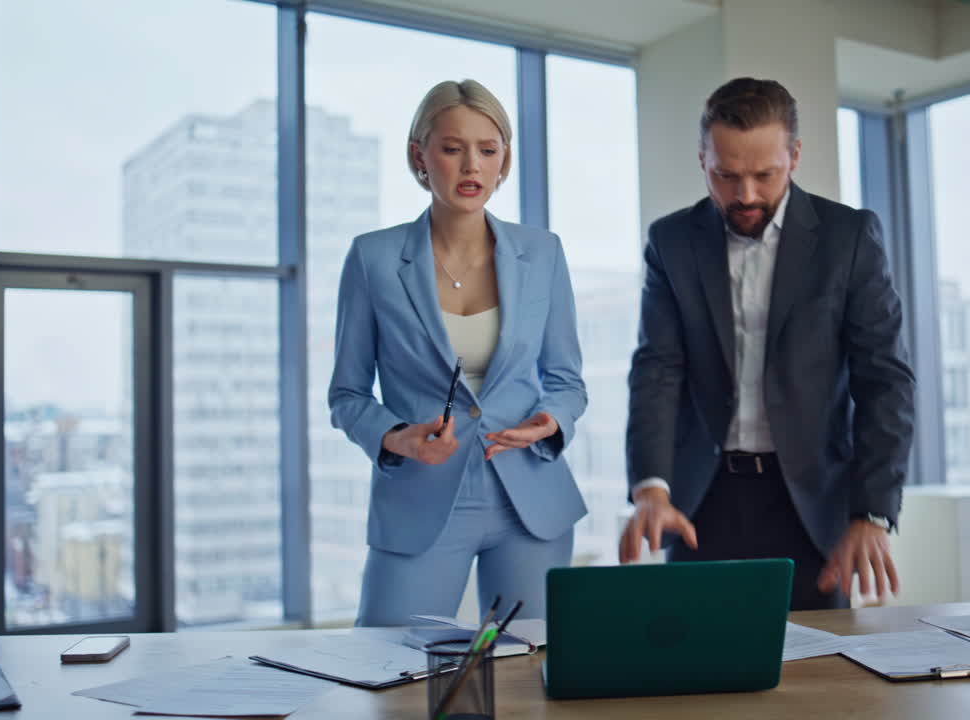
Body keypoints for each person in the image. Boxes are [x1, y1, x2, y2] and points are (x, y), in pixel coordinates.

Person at [619, 78, 915, 610]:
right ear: (702, 158)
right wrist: (650, 488)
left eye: (764, 175)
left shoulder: (848, 238)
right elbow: (657, 370)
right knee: (691, 668)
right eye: (725, 176)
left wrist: (870, 512)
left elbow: (885, 380)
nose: (746, 195)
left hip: (810, 502)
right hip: (700, 502)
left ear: (795, 155)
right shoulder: (672, 242)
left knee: (818, 676)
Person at [328, 79, 587, 626]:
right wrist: (397, 437)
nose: (471, 165)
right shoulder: (373, 258)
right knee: (386, 679)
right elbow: (347, 394)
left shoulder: (543, 254)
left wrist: (550, 422)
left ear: (504, 161)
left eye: (487, 150)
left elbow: (567, 380)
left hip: (531, 503)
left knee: (531, 681)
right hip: (419, 501)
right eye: (452, 148)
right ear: (420, 156)